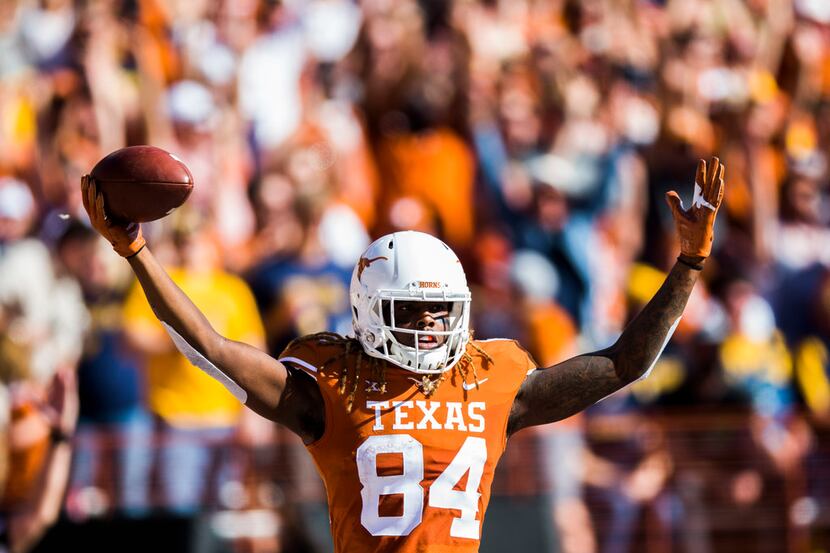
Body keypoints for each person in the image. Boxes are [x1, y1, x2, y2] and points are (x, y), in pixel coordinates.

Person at [78, 156, 725, 552]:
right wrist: (137, 253)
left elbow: (625, 363)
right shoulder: (330, 381)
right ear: (367, 310)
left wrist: (691, 263)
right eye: (411, 311)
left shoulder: (491, 377)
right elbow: (211, 348)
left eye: (441, 309)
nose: (429, 324)